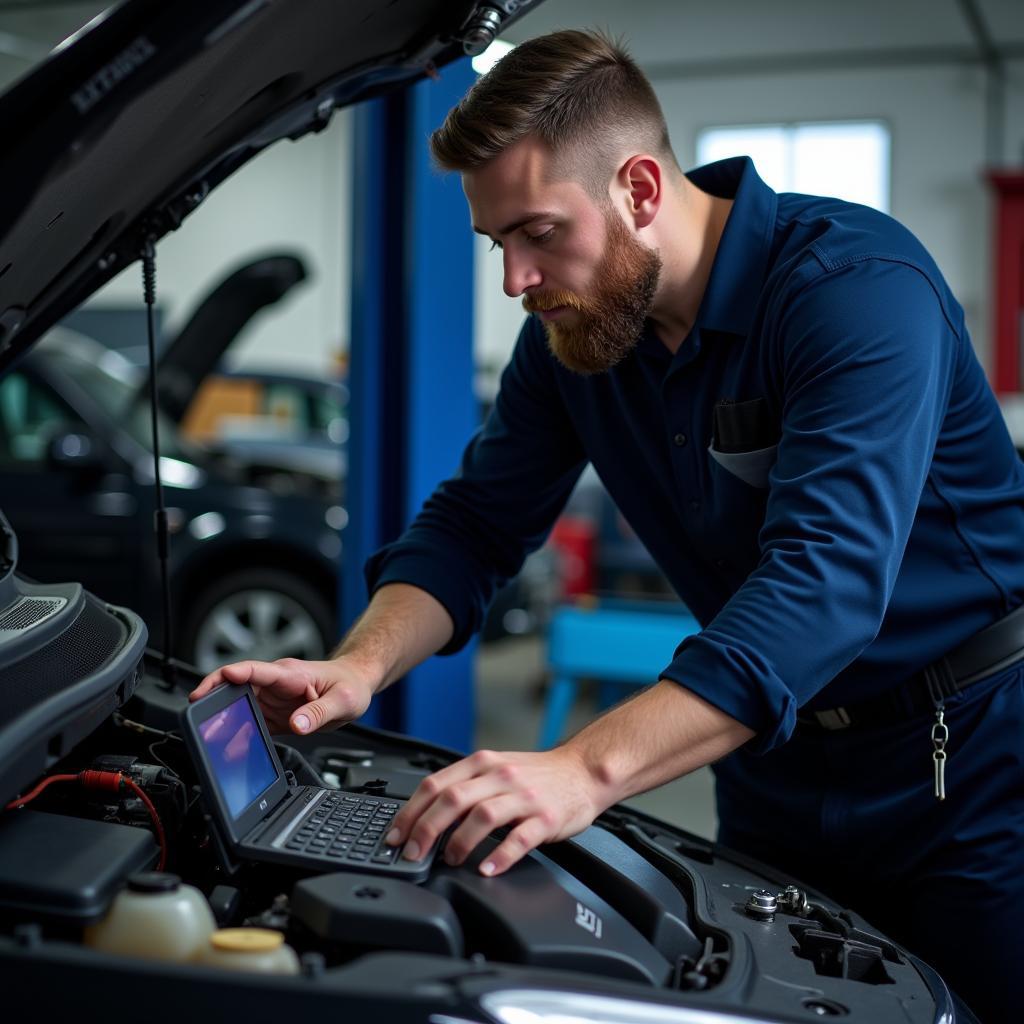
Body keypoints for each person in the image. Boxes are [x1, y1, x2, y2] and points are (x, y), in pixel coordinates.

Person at [192, 30, 1023, 1020]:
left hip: (969, 763)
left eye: (538, 232)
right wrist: (360, 665)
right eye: (497, 243)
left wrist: (580, 771)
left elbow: (823, 587)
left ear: (637, 188)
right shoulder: (575, 340)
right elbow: (473, 525)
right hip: (771, 761)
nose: (514, 279)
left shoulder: (854, 292)